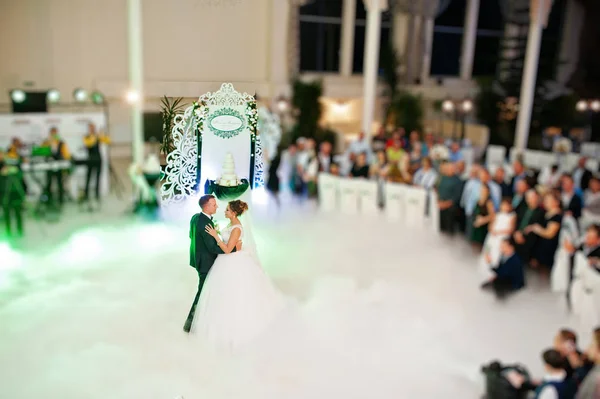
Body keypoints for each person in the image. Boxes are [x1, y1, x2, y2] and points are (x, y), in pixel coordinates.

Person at [193, 199, 285, 349]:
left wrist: (216, 236)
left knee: (234, 295)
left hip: (232, 262)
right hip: (223, 262)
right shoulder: (230, 225)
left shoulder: (236, 228)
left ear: (234, 213)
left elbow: (229, 250)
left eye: (227, 210)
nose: (224, 211)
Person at [184, 195, 238, 333]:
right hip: (206, 263)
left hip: (197, 259)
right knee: (202, 293)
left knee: (208, 291)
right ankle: (190, 324)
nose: (217, 207)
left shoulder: (196, 217)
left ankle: (206, 319)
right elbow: (213, 248)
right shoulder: (206, 224)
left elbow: (191, 235)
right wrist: (232, 249)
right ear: (207, 206)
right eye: (214, 205)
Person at [83, 123, 110, 203]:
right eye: (91, 128)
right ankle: (86, 194)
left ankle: (97, 194)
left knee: (98, 178)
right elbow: (88, 144)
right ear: (89, 129)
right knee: (88, 177)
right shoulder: (86, 137)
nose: (92, 129)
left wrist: (102, 135)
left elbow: (108, 141)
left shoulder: (98, 136)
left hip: (98, 159)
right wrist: (95, 137)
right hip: (90, 159)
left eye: (93, 128)